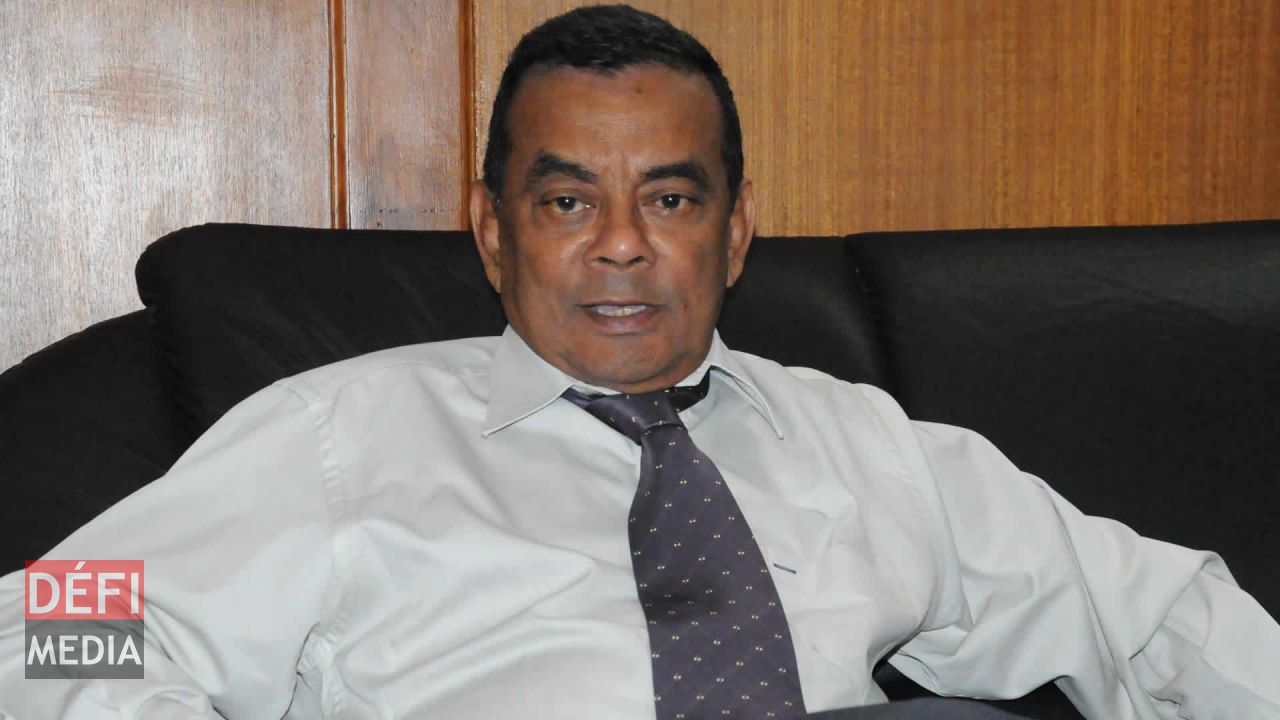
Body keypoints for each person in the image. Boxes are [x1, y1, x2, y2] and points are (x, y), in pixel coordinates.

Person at [1, 5, 1277, 719]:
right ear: (492, 231)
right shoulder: (341, 435)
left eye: (668, 200)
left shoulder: (864, 446)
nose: (620, 245)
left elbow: (1161, 618)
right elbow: (47, 630)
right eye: (567, 202)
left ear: (734, 231)